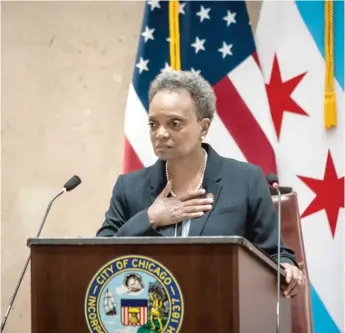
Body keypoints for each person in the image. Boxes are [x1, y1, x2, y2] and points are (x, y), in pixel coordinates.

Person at [96, 70, 305, 298]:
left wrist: (287, 267)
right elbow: (100, 255)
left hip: (223, 309)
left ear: (203, 127)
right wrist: (150, 218)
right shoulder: (129, 187)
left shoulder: (246, 180)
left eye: (175, 123)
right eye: (154, 124)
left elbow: (275, 252)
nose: (161, 134)